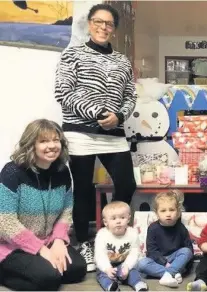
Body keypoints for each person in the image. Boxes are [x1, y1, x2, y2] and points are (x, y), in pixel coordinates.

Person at [54, 3, 137, 272]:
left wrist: (120, 117)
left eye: (109, 24)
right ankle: (86, 243)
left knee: (126, 184)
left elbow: (130, 96)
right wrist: (97, 112)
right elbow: (63, 92)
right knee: (84, 190)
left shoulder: (122, 61)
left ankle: (110, 232)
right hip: (80, 133)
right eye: (98, 22)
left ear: (114, 28)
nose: (103, 27)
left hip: (113, 133)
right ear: (90, 24)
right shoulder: (72, 54)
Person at [0, 119, 86, 290]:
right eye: (44, 141)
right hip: (12, 245)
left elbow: (66, 210)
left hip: (47, 240)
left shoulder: (62, 170)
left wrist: (59, 241)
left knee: (77, 269)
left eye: (56, 140)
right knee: (50, 278)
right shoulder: (12, 172)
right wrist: (41, 250)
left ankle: (41, 270)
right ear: (31, 144)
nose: (52, 145)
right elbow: (5, 221)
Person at [137, 190, 194, 288]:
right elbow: (152, 250)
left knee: (186, 251)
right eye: (163, 211)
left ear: (178, 212)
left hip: (175, 259)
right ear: (157, 213)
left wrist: (182, 265)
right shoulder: (153, 228)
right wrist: (164, 263)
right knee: (142, 264)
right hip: (157, 260)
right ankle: (173, 273)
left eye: (171, 210)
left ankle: (166, 275)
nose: (168, 214)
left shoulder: (181, 228)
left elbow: (189, 249)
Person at [94, 201, 148, 291]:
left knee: (133, 272)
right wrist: (107, 268)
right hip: (108, 265)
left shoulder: (133, 233)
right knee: (102, 275)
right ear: (105, 222)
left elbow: (134, 253)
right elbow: (100, 255)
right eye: (113, 218)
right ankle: (110, 286)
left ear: (128, 219)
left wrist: (127, 266)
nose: (118, 221)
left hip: (124, 263)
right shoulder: (102, 235)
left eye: (122, 217)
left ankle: (138, 284)